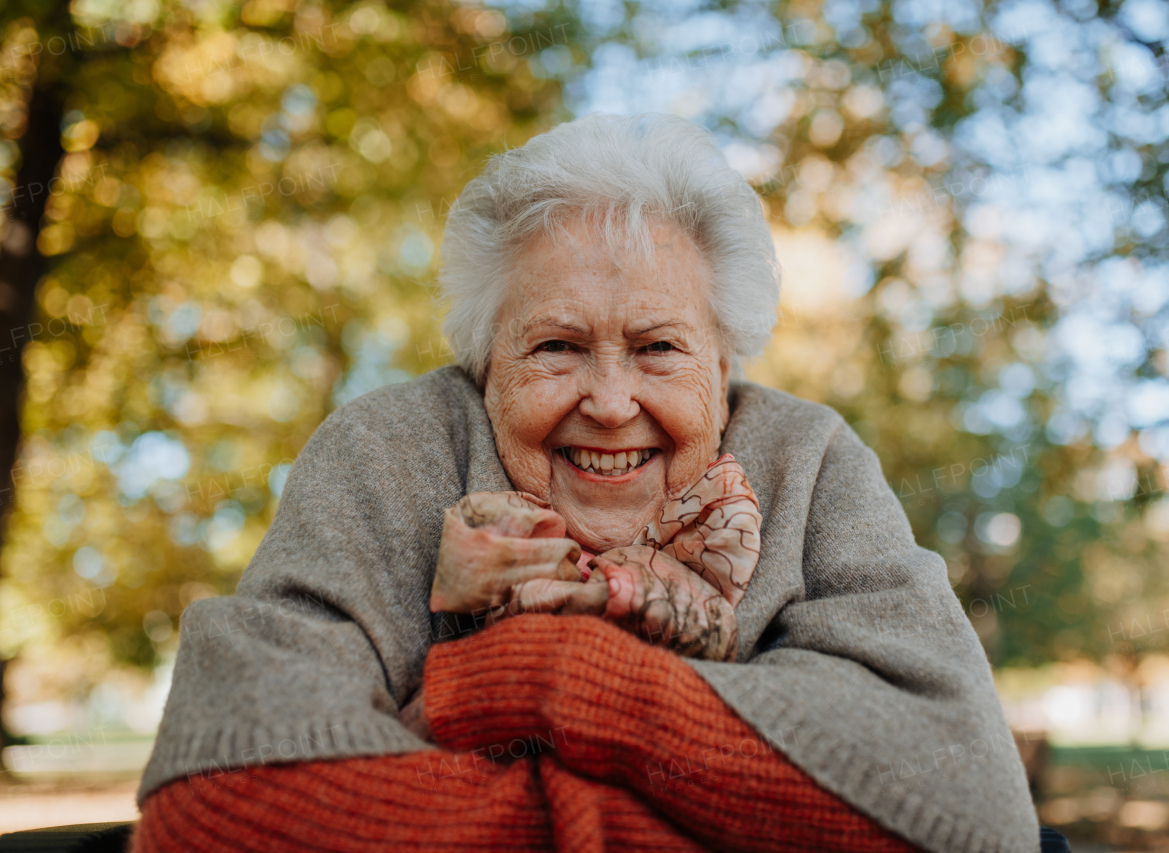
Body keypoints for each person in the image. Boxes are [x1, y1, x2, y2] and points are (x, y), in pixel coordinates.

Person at [132, 113, 1039, 852]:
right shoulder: (387, 451)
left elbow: (972, 804)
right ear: (486, 363)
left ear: (724, 368)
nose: (610, 402)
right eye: (557, 347)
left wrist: (541, 673)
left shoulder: (809, 459)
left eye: (658, 349)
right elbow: (220, 806)